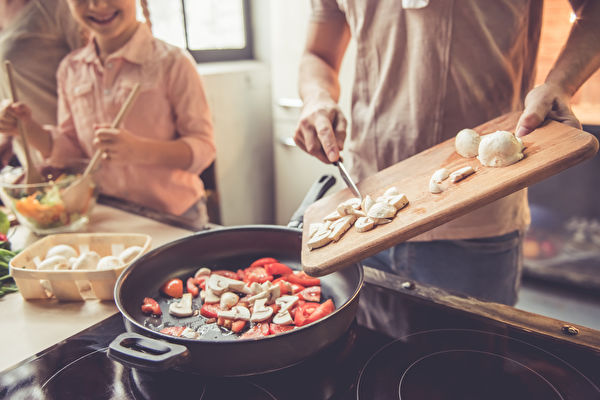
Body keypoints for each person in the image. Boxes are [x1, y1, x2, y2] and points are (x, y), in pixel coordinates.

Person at [295, 0, 600, 305]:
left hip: (476, 220)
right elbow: (317, 54)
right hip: (365, 209)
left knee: (468, 351)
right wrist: (316, 97)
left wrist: (561, 84)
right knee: (373, 348)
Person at [0, 0, 216, 226]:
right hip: (107, 214)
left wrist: (139, 150)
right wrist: (27, 128)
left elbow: (203, 148)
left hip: (174, 215)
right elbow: (72, 150)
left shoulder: (174, 63)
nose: (97, 5)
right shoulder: (70, 69)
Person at [0, 0, 83, 166]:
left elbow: (95, 71)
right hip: (32, 163)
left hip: (73, 159)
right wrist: (6, 134)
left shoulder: (57, 6)